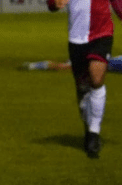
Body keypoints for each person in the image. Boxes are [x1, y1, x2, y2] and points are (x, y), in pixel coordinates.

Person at [47, 0, 122, 158]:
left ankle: (94, 134)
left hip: (101, 34)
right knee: (82, 89)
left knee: (96, 80)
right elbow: (52, 3)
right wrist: (54, 3)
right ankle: (89, 128)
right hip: (76, 38)